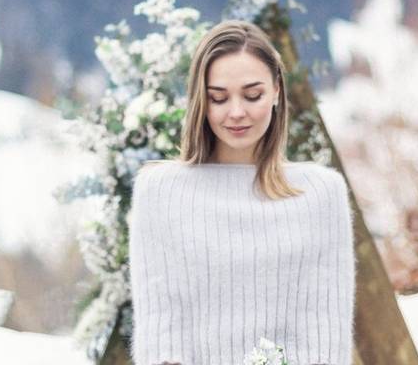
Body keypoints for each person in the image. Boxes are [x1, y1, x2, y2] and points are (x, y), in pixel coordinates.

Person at [128, 19, 356, 365]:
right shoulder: (160, 192)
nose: (236, 112)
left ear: (277, 90)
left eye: (252, 95)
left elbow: (324, 333)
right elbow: (161, 329)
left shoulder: (322, 194)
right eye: (218, 98)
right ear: (199, 101)